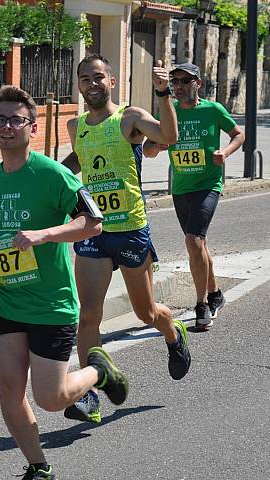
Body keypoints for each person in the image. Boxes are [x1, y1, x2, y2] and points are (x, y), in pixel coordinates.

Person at [0, 85, 129, 480]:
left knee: (50, 398)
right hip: (8, 303)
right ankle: (38, 466)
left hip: (51, 306)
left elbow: (92, 223)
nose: (6, 127)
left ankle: (99, 371)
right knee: (9, 388)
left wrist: (45, 234)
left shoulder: (54, 174)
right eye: (0, 120)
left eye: (16, 120)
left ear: (32, 127)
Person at [61, 54, 191, 425]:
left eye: (99, 77)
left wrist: (163, 92)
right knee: (87, 316)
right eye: (85, 78)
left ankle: (173, 331)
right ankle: (89, 395)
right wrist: (50, 177)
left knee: (145, 313)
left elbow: (168, 137)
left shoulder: (129, 118)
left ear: (111, 82)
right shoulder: (76, 126)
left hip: (131, 229)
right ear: (80, 85)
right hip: (95, 231)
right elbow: (78, 160)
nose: (92, 84)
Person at [143, 63, 245, 329]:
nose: (178, 86)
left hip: (209, 183)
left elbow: (238, 134)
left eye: (185, 81)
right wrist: (159, 144)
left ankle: (201, 305)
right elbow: (147, 150)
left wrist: (226, 153)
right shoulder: (170, 111)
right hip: (181, 188)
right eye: (174, 81)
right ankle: (215, 293)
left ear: (197, 83)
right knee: (199, 244)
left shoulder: (212, 110)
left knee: (193, 240)